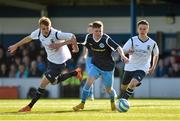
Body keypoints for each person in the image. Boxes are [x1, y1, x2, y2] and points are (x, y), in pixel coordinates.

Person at [8, 16, 82, 112]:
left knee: (43, 83)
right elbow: (28, 38)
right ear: (40, 28)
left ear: (50, 26)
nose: (46, 30)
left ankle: (29, 106)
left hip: (60, 61)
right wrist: (16, 45)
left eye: (48, 28)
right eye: (44, 28)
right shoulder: (38, 33)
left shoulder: (55, 34)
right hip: (50, 61)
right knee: (54, 82)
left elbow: (72, 37)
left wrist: (65, 45)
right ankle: (75, 73)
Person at [72, 21, 129, 111]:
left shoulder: (106, 39)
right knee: (87, 84)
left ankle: (112, 102)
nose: (98, 33)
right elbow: (73, 38)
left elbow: (118, 47)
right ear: (93, 31)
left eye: (100, 31)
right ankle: (82, 104)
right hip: (96, 66)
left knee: (108, 90)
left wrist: (122, 56)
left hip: (108, 68)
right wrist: (61, 43)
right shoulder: (88, 37)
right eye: (96, 31)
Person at [119, 20, 159, 100]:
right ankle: (122, 97)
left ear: (148, 30)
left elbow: (156, 54)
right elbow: (123, 50)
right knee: (123, 87)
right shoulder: (132, 40)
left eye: (144, 29)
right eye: (140, 29)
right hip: (130, 66)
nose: (142, 31)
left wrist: (153, 67)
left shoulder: (152, 43)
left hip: (143, 67)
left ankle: (124, 100)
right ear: (137, 29)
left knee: (133, 83)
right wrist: (128, 51)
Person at [79, 22, 94, 100]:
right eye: (88, 30)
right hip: (89, 59)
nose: (89, 31)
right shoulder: (86, 38)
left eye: (91, 29)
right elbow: (85, 49)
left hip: (97, 59)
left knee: (93, 77)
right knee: (90, 77)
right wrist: (84, 56)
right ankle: (90, 94)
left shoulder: (97, 37)